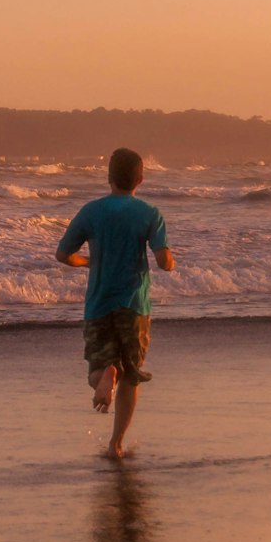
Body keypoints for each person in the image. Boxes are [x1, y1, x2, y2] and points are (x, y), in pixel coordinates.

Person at [56, 147, 175, 459]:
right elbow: (163, 262)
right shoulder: (150, 213)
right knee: (131, 375)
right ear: (141, 179)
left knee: (97, 369)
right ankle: (116, 444)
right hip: (135, 305)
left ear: (108, 177)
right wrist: (170, 261)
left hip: (98, 305)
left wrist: (88, 262)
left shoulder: (91, 211)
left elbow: (63, 254)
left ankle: (106, 373)